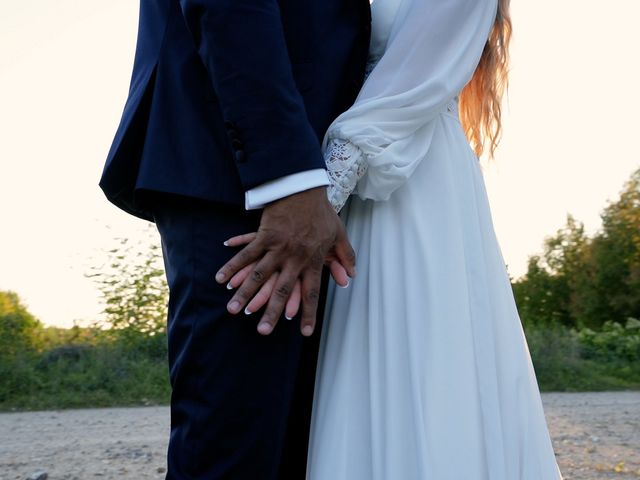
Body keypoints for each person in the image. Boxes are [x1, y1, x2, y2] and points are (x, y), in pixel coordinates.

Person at [223, 0, 566, 477]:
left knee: (420, 376)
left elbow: (407, 85)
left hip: (411, 186)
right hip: (350, 184)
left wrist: (312, 208)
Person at [98, 0, 371, 478]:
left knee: (289, 450)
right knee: (235, 453)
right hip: (240, 169)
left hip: (308, 178)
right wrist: (289, 178)